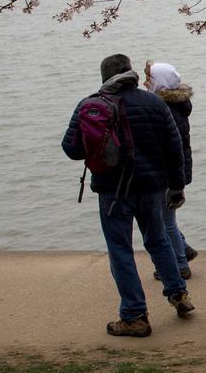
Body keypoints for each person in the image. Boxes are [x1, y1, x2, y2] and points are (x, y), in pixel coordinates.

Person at [61, 53, 195, 337]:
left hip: (113, 191)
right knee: (158, 241)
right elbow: (174, 149)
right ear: (130, 72)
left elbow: (71, 149)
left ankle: (134, 315)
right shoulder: (155, 103)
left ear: (104, 75)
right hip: (152, 188)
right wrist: (177, 186)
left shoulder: (91, 104)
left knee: (121, 250)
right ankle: (179, 295)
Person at [144, 61, 196, 280]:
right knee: (165, 217)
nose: (145, 83)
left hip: (168, 172)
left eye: (149, 78)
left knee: (166, 220)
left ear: (160, 82)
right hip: (174, 170)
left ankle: (180, 264)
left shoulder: (165, 110)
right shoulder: (175, 106)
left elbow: (169, 147)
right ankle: (183, 249)